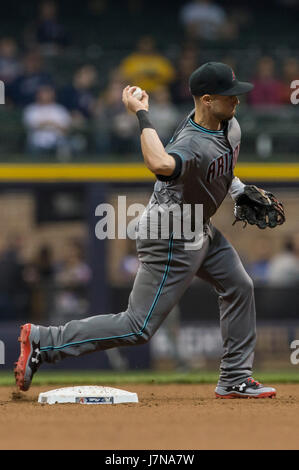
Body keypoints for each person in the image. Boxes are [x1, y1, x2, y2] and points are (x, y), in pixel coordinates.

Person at [15, 62, 279, 399]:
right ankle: (43, 341)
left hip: (198, 225)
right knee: (138, 326)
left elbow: (218, 170)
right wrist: (141, 113)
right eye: (231, 96)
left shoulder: (229, 125)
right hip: (168, 232)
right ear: (208, 100)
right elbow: (160, 164)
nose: (238, 101)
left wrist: (239, 190)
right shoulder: (193, 142)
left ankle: (234, 379)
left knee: (239, 285)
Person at [23, 85, 72, 157]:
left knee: (67, 146)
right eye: (44, 93)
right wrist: (52, 124)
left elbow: (65, 128)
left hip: (57, 143)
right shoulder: (31, 109)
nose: (46, 95)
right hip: (36, 143)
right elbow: (32, 126)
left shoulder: (60, 109)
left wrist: (46, 123)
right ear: (38, 94)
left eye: (49, 93)